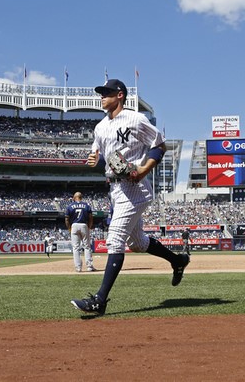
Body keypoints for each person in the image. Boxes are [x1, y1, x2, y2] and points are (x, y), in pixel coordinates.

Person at [71, 79, 190, 316]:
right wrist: (97, 160)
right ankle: (177, 261)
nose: (101, 97)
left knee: (114, 240)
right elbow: (105, 157)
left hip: (135, 187)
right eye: (101, 93)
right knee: (138, 243)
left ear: (120, 95)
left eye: (106, 93)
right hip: (116, 189)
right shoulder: (100, 127)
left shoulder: (135, 119)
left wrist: (145, 169)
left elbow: (159, 145)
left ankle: (99, 301)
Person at [65, 191, 96, 272]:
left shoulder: (70, 206)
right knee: (87, 246)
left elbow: (67, 219)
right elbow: (91, 218)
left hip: (74, 225)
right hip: (83, 225)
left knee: (76, 248)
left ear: (74, 198)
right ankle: (89, 266)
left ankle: (78, 267)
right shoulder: (86, 205)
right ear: (81, 197)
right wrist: (89, 226)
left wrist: (69, 228)